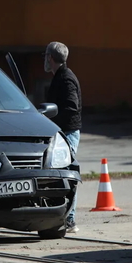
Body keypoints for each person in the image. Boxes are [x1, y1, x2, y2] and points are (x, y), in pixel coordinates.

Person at [44, 41, 82, 233]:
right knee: (59, 175)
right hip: (62, 133)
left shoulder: (66, 79)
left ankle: (70, 220)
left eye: (46, 56)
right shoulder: (60, 76)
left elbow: (71, 107)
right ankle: (60, 217)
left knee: (67, 175)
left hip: (68, 134)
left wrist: (53, 119)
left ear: (50, 58)